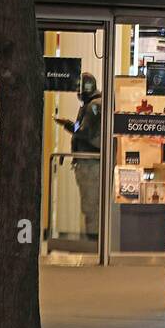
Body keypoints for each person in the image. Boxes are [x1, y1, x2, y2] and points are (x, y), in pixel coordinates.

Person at [55, 72, 103, 239]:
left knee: (91, 203)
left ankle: (94, 238)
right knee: (89, 202)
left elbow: (84, 132)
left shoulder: (94, 106)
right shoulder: (90, 105)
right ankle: (92, 235)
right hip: (87, 161)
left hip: (91, 162)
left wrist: (66, 125)